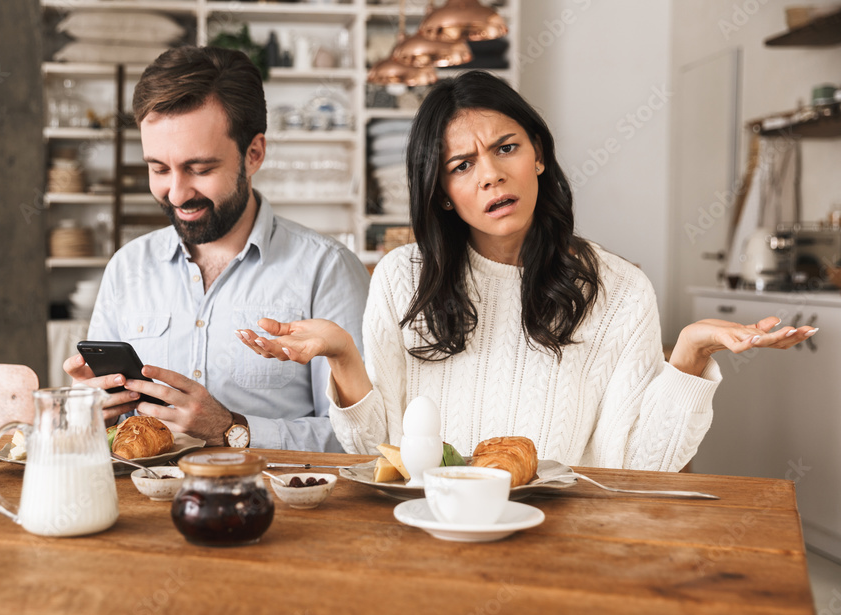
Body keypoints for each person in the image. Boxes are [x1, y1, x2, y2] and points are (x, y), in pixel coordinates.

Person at [237, 71, 818, 471]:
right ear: (442, 194)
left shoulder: (619, 290)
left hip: (562, 547)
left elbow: (642, 466)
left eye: (506, 148)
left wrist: (689, 355)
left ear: (538, 154)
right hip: (427, 530)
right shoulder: (400, 279)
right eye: (462, 165)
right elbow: (377, 450)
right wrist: (342, 355)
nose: (490, 175)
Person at [64, 46, 370, 452]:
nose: (176, 192)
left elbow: (362, 440)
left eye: (200, 169)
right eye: (158, 168)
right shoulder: (127, 267)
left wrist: (231, 428)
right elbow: (104, 428)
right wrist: (90, 411)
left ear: (253, 154)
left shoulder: (327, 270)